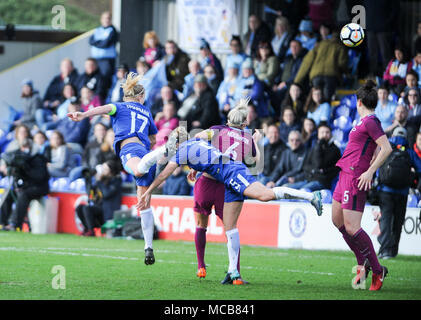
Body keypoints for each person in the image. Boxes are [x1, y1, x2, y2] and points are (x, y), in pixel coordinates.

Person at [137, 126, 323, 285]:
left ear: (176, 143)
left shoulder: (183, 150)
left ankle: (309, 196)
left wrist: (148, 191)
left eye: (171, 146)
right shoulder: (196, 143)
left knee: (264, 195)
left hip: (232, 173)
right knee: (230, 225)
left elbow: (163, 175)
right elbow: (206, 156)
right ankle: (233, 272)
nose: (170, 150)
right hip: (227, 174)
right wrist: (195, 168)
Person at [67, 72, 174, 265]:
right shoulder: (147, 112)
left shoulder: (121, 106)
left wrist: (83, 114)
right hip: (145, 151)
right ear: (141, 97)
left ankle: (160, 154)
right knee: (144, 203)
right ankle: (148, 247)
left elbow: (103, 108)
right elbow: (152, 138)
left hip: (131, 149)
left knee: (138, 171)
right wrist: (153, 149)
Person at [331, 80, 392, 291]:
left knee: (352, 227)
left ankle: (377, 270)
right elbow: (375, 148)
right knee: (337, 220)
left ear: (358, 102)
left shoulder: (370, 121)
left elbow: (386, 148)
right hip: (344, 174)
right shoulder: (365, 122)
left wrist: (370, 171)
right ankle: (362, 262)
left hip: (356, 176)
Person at [188, 100, 258, 282]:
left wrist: (197, 164)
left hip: (206, 183)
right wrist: (256, 141)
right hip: (226, 187)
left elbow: (197, 139)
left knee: (201, 225)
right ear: (244, 123)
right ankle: (236, 274)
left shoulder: (216, 129)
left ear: (228, 120)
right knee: (231, 230)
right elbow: (256, 161)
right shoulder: (247, 138)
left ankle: (201, 266)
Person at [376, 127, 421, 259]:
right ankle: (393, 251)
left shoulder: (386, 149)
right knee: (398, 222)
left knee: (385, 220)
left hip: (386, 191)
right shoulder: (410, 152)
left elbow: (377, 166)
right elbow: (420, 169)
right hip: (402, 192)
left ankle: (384, 250)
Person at [0, 138, 49, 231]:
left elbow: (39, 177)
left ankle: (15, 224)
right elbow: (6, 156)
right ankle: (2, 222)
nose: (24, 150)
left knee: (23, 195)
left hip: (39, 187)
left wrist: (26, 168)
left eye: (26, 147)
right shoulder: (20, 157)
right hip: (26, 185)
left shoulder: (38, 158)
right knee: (10, 193)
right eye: (23, 147)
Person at [294, 32, 348, 101]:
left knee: (316, 99)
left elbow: (307, 62)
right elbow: (342, 64)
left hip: (316, 75)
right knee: (327, 99)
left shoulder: (319, 45)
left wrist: (297, 81)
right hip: (331, 76)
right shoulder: (340, 47)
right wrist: (346, 73)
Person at [287, 123, 341, 191]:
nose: (324, 135)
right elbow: (306, 166)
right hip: (309, 180)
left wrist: (320, 144)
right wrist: (314, 171)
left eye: (327, 132)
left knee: (304, 190)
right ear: (318, 134)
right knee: (287, 188)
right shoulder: (314, 147)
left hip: (322, 182)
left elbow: (319, 164)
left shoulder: (334, 150)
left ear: (330, 134)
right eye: (322, 132)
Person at [76, 159, 122, 236]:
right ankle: (87, 228)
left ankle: (91, 231)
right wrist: (88, 180)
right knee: (80, 207)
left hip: (108, 212)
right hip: (99, 208)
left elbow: (106, 194)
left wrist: (99, 181)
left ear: (111, 171)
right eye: (102, 168)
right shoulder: (102, 180)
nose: (102, 171)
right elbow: (89, 193)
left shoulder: (116, 180)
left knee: (87, 208)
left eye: (105, 169)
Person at [89, 11, 118, 88]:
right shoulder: (97, 30)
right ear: (101, 19)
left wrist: (97, 42)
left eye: (108, 18)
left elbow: (106, 44)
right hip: (96, 59)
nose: (106, 20)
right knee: (96, 80)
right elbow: (91, 41)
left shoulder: (113, 30)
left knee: (105, 79)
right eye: (104, 18)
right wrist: (100, 42)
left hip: (106, 61)